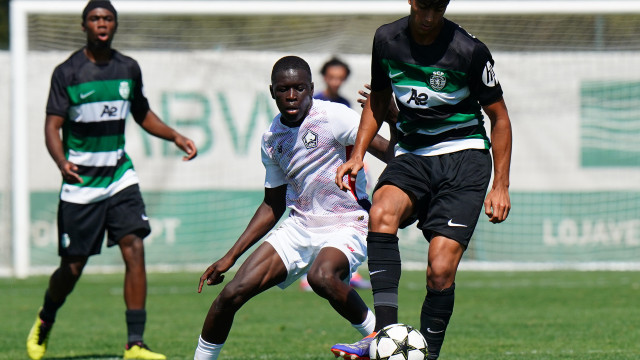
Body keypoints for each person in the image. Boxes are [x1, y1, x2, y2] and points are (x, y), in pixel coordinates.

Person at [331, 0, 512, 359]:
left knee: (440, 272)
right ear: (411, 1)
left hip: (465, 158)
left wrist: (501, 185)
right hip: (413, 154)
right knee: (381, 211)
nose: (430, 17)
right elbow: (379, 100)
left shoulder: (469, 50)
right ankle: (381, 336)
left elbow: (500, 119)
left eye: (438, 7)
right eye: (424, 7)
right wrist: (357, 155)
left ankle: (428, 357)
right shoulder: (386, 39)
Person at [26, 1, 197, 360]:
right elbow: (52, 126)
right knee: (72, 267)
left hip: (119, 175)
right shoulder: (68, 72)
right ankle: (45, 318)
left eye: (107, 18)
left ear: (114, 25)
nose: (101, 24)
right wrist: (61, 162)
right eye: (95, 18)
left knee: (134, 246)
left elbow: (141, 113)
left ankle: (135, 343)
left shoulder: (127, 68)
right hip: (80, 182)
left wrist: (175, 136)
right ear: (84, 25)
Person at [193, 55, 394, 360]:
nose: (291, 96)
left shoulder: (334, 117)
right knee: (230, 295)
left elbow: (391, 154)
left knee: (321, 277)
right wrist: (230, 257)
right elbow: (273, 204)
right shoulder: (272, 138)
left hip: (347, 223)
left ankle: (381, 337)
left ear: (311, 88)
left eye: (299, 88)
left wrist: (392, 118)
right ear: (272, 91)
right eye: (283, 89)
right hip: (300, 226)